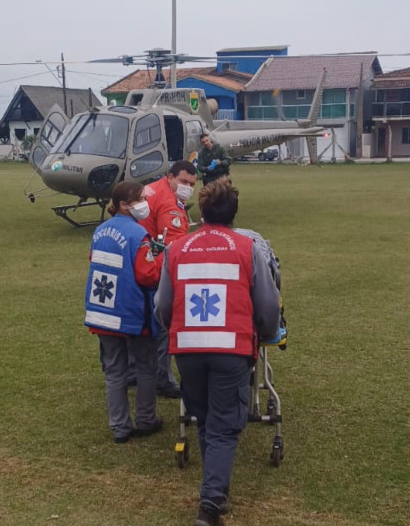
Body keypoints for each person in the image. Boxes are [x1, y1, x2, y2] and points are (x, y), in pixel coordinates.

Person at [155, 180, 281, 526]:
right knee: (225, 426)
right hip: (231, 349)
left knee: (205, 419)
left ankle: (214, 493)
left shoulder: (177, 249)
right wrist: (268, 333)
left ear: (203, 210)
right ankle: (210, 506)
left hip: (188, 350)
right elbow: (268, 306)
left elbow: (162, 306)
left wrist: (177, 330)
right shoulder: (247, 248)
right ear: (234, 213)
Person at [84, 181, 165, 444]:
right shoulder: (138, 235)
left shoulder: (99, 231)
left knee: (115, 371)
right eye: (140, 199)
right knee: (146, 366)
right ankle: (145, 419)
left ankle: (119, 427)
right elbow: (148, 275)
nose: (145, 203)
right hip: (132, 313)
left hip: (102, 311)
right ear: (123, 204)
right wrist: (162, 258)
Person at [138, 160, 198, 398]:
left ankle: (136, 371)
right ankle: (162, 377)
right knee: (164, 324)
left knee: (141, 323)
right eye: (183, 182)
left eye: (192, 184)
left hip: (141, 261)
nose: (188, 187)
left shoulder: (152, 188)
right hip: (157, 267)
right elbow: (174, 247)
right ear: (171, 177)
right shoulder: (169, 203)